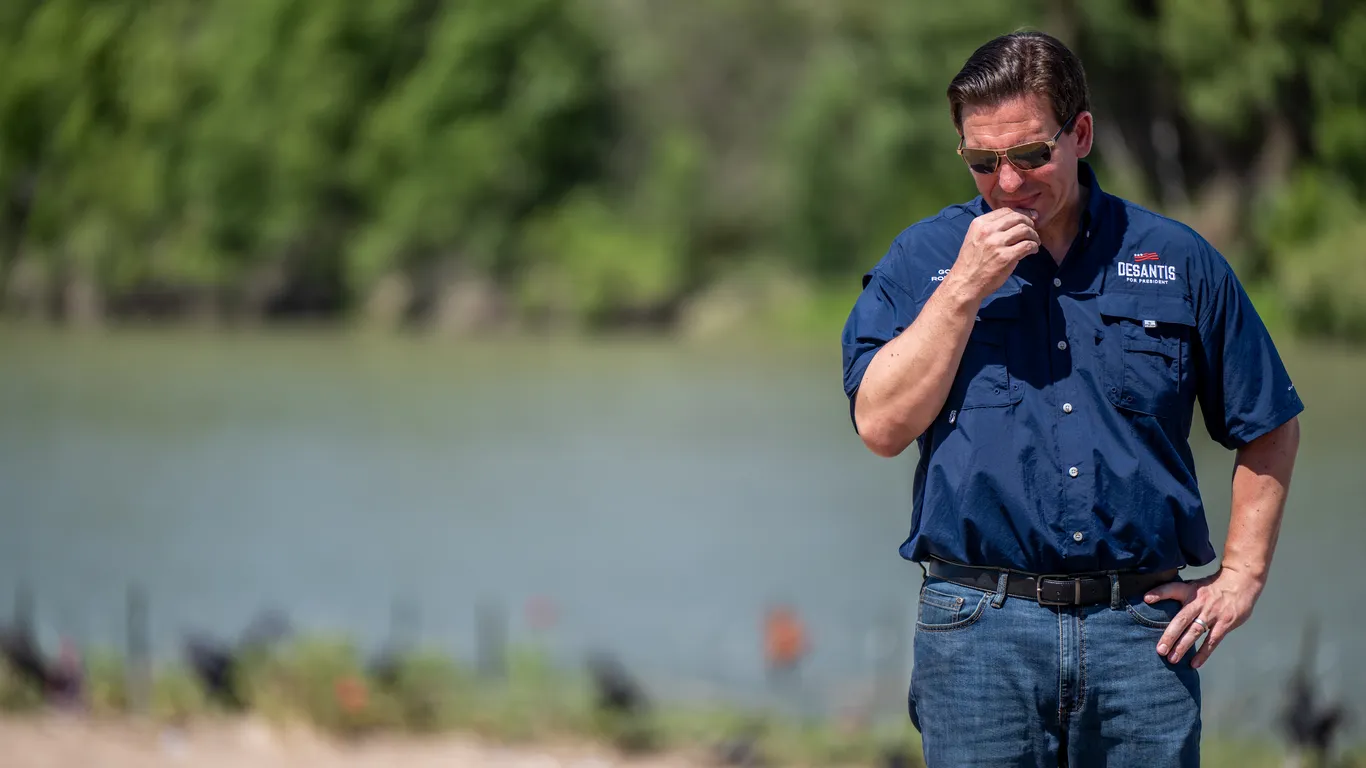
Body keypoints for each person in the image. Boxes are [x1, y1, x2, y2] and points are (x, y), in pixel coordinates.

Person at [839, 30, 1302, 767]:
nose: (1007, 182)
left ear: (1080, 134)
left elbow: (1269, 421)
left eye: (1029, 155)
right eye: (983, 162)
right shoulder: (923, 259)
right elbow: (880, 425)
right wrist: (963, 289)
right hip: (977, 635)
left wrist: (1241, 578)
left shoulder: (1178, 259)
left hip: (1141, 636)